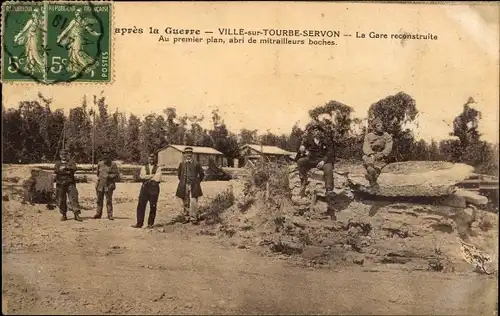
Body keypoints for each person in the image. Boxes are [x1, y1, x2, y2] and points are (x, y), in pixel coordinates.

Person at [296, 122, 335, 197]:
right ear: (312, 132)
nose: (316, 132)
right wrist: (302, 147)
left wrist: (323, 161)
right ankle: (304, 180)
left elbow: (331, 152)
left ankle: (329, 190)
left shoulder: (326, 140)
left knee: (329, 167)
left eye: (317, 130)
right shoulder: (309, 139)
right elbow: (302, 145)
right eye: (314, 130)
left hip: (323, 161)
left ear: (321, 131)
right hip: (311, 160)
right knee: (300, 161)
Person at [132, 153, 162, 229]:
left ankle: (150, 224)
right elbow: (142, 176)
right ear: (148, 158)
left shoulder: (158, 168)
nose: (151, 159)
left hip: (154, 189)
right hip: (144, 188)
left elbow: (157, 178)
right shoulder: (143, 167)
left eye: (153, 157)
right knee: (141, 205)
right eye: (150, 157)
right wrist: (152, 176)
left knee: (153, 206)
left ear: (155, 159)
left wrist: (147, 177)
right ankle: (139, 223)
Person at [176, 147, 205, 225]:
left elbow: (202, 174)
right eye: (186, 153)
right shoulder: (182, 164)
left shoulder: (196, 163)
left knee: (193, 202)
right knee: (185, 201)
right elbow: (179, 175)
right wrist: (183, 182)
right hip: (184, 185)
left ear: (192, 154)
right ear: (184, 154)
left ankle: (193, 218)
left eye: (190, 153)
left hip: (194, 185)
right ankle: (186, 217)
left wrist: (197, 182)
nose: (188, 154)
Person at [362, 117, 393, 187]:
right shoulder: (368, 136)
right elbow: (366, 146)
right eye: (378, 125)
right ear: (374, 127)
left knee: (380, 163)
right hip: (371, 155)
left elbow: (389, 146)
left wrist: (383, 154)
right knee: (366, 158)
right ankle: (371, 171)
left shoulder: (386, 135)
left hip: (381, 155)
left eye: (382, 125)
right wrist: (371, 154)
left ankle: (373, 174)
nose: (381, 127)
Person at [54, 149, 82, 221]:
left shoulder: (71, 162)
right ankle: (64, 215)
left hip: (70, 183)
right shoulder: (57, 163)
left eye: (65, 154)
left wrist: (65, 168)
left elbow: (74, 168)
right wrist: (67, 171)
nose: (64, 156)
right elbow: (56, 171)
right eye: (62, 155)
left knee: (74, 198)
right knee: (61, 200)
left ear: (67, 155)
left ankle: (76, 214)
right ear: (60, 156)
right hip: (60, 184)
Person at [94, 150, 119, 220]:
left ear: (109, 156)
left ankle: (110, 215)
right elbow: (97, 174)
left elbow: (117, 174)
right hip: (100, 185)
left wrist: (110, 176)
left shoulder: (113, 164)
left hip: (109, 185)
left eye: (107, 155)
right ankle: (98, 214)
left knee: (108, 200)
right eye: (104, 156)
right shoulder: (100, 164)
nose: (105, 157)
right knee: (99, 200)